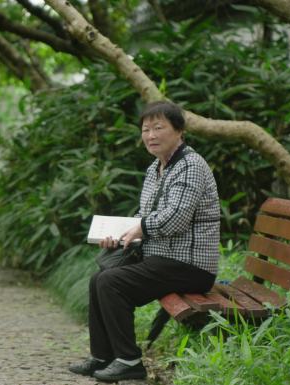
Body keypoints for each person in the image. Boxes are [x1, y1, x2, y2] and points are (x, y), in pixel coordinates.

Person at [68, 101, 220, 382]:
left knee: (110, 282)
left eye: (158, 128)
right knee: (99, 278)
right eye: (145, 129)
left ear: (179, 131)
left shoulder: (190, 165)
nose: (150, 135)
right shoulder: (155, 168)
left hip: (189, 265)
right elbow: (145, 215)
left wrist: (139, 228)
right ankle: (103, 356)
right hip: (162, 259)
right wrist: (120, 235)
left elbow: (175, 218)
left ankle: (129, 360)